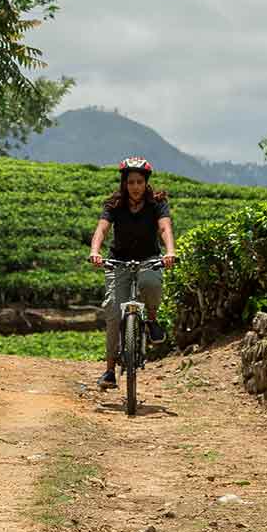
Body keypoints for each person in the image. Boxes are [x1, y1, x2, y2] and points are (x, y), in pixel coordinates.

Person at [87, 157, 177, 388]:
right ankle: (109, 370)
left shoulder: (157, 203)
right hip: (118, 261)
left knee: (151, 283)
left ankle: (152, 320)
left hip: (149, 258)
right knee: (113, 311)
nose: (135, 187)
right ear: (124, 184)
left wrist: (170, 252)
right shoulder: (113, 205)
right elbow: (102, 229)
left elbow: (164, 227)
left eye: (139, 182)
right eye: (130, 182)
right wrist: (95, 251)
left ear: (146, 183)